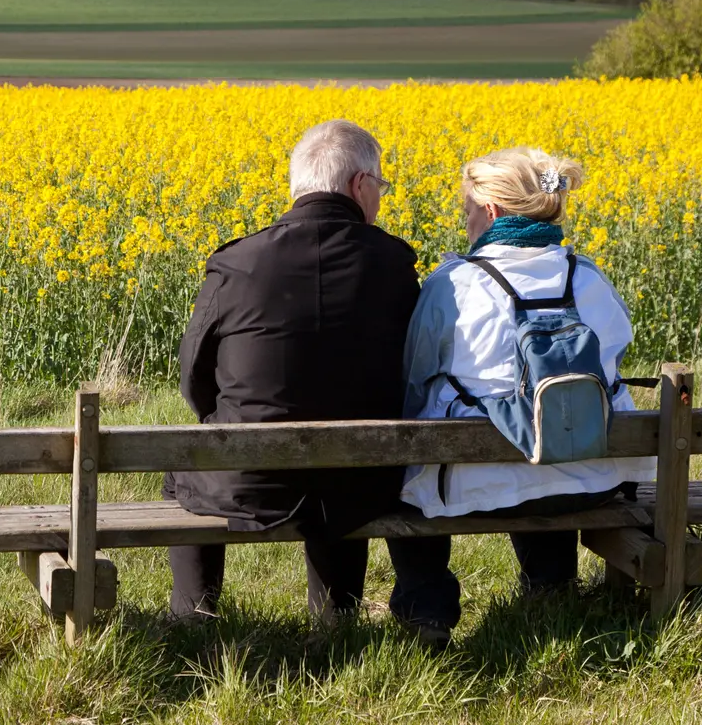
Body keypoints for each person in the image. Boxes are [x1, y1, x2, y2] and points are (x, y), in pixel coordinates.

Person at [165, 119, 439, 629]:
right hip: (366, 482)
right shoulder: (393, 264)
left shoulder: (236, 263)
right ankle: (336, 618)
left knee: (184, 464)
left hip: (249, 480)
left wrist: (226, 422)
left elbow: (193, 377)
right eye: (379, 185)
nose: (379, 197)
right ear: (359, 184)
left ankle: (193, 616)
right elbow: (413, 369)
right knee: (342, 458)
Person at [392, 146, 654, 635]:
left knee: (416, 463)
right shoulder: (590, 277)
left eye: (467, 210)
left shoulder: (456, 284)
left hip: (476, 488)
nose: (466, 222)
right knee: (548, 445)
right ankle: (551, 591)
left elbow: (414, 378)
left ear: (490, 212)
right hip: (591, 482)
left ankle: (426, 612)